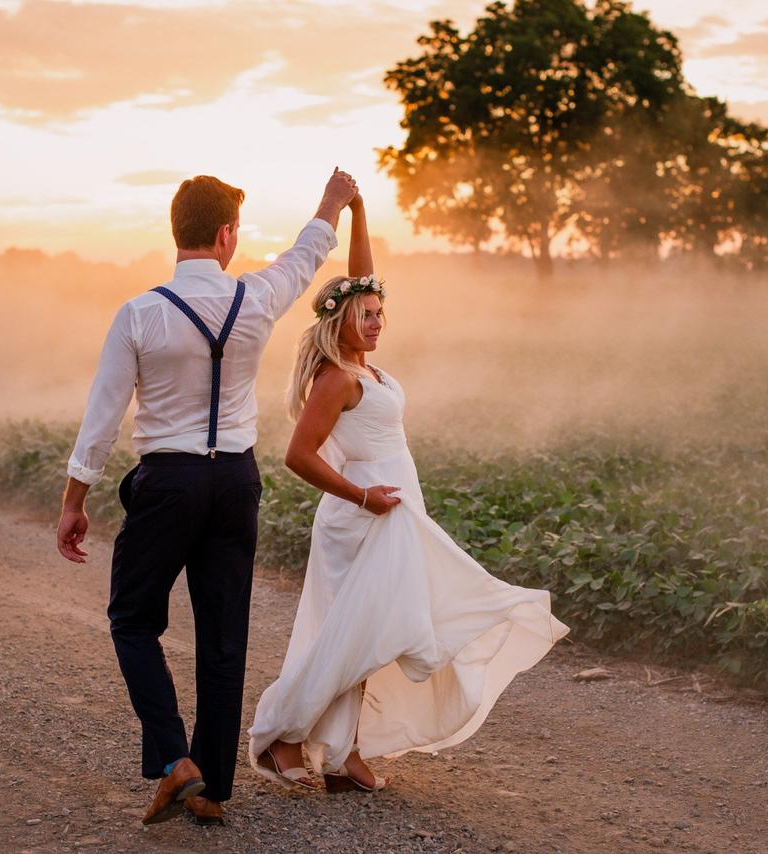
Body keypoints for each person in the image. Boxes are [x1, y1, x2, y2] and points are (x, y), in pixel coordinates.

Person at [55, 169, 357, 825]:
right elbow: (308, 254)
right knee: (224, 639)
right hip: (234, 485)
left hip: (168, 482)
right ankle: (212, 789)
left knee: (133, 620)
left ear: (178, 232)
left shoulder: (140, 312)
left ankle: (176, 758)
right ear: (225, 235)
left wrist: (74, 498)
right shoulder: (255, 298)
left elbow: (103, 416)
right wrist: (332, 202)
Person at [246, 189, 569, 793]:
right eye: (365, 314)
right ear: (341, 319)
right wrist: (362, 498)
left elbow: (365, 277)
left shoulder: (369, 370)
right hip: (361, 518)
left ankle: (343, 752)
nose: (376, 322)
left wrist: (361, 214)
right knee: (360, 635)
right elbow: (297, 456)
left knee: (378, 633)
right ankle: (286, 733)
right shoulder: (335, 379)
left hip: (397, 515)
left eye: (379, 313)